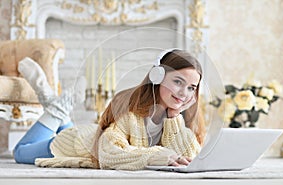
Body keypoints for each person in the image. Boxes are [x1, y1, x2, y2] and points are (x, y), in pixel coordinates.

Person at [13, 49, 206, 170]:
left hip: (93, 134)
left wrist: (173, 117)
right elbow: (109, 153)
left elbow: (189, 158)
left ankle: (58, 108)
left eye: (191, 87)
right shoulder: (131, 111)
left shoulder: (178, 117)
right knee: (20, 153)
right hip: (76, 143)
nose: (184, 93)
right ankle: (55, 107)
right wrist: (156, 156)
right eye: (178, 82)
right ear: (158, 76)